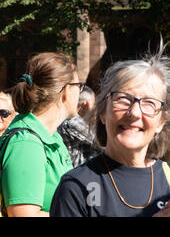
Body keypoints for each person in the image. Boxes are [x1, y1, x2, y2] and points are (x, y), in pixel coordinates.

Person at [50, 45, 170, 217]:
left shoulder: (168, 180)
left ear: (161, 122)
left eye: (149, 103)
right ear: (102, 112)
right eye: (123, 99)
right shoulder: (76, 187)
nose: (134, 113)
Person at [0, 52, 78, 216]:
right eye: (79, 85)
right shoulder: (26, 144)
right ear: (67, 91)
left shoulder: (50, 137)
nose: (80, 92)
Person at [57, 85, 102, 167]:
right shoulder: (72, 122)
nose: (96, 109)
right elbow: (100, 141)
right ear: (85, 104)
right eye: (94, 104)